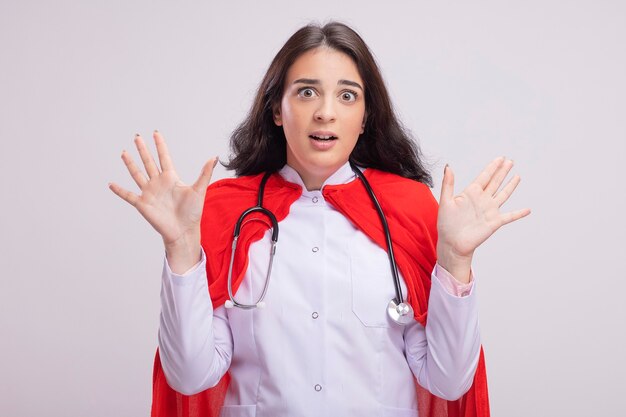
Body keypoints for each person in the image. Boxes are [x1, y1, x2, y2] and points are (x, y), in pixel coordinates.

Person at [109, 21, 530, 417]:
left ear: (365, 117)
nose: (326, 112)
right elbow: (189, 376)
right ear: (277, 109)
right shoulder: (224, 213)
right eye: (307, 92)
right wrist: (181, 250)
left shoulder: (411, 210)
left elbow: (449, 382)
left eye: (347, 96)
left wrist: (455, 261)